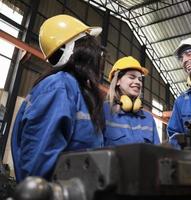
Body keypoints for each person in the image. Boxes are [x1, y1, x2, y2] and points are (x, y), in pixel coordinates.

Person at [11, 14, 105, 182]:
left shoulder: (75, 89)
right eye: (90, 43)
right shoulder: (60, 88)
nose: (98, 53)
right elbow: (37, 175)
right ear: (73, 49)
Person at [102, 56, 160, 146]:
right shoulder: (104, 111)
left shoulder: (148, 119)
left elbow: (157, 153)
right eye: (132, 77)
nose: (138, 82)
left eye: (140, 79)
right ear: (117, 81)